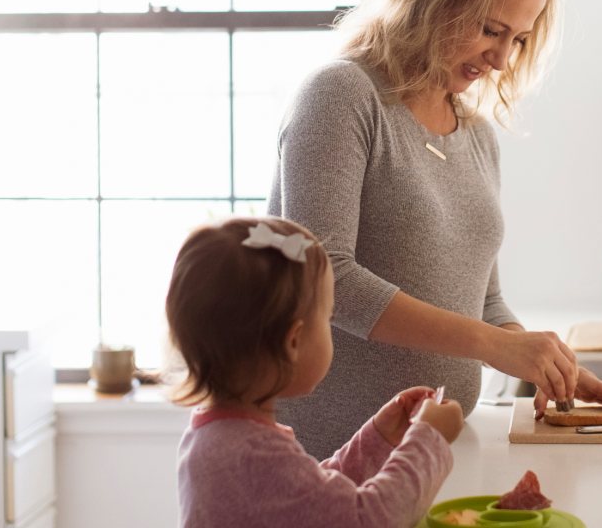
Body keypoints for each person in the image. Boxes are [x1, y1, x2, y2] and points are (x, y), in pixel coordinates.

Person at [269, 0, 602, 460]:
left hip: (435, 452)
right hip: (328, 459)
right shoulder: (343, 96)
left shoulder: (476, 134)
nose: (502, 58)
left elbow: (484, 299)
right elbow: (324, 277)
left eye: (520, 39)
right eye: (491, 29)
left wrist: (545, 363)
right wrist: (496, 346)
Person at [166, 217, 464, 527]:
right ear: (293, 340)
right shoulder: (252, 456)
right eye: (328, 316)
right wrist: (429, 440)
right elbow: (368, 520)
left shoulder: (224, 436)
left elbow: (314, 503)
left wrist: (379, 437)